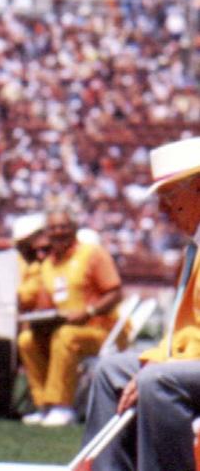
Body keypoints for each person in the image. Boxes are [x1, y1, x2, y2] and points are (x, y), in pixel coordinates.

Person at [82, 136, 200, 471]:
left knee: (157, 382)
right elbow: (186, 333)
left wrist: (156, 366)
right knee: (110, 371)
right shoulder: (195, 246)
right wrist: (155, 360)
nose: (162, 209)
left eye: (169, 197)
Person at [18, 204, 124, 426]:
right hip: (64, 328)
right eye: (53, 228)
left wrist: (89, 311)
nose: (58, 232)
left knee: (66, 336)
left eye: (64, 226)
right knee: (27, 340)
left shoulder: (92, 254)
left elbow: (115, 292)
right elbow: (43, 304)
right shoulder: (47, 265)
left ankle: (62, 406)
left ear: (75, 227)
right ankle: (43, 405)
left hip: (101, 329)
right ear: (46, 232)